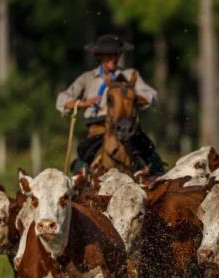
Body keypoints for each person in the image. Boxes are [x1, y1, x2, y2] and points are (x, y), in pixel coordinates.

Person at [56, 34, 165, 174]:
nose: (112, 59)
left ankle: (159, 184)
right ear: (99, 56)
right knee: (81, 161)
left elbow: (152, 95)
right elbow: (62, 99)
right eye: (107, 55)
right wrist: (83, 103)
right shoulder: (88, 78)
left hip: (128, 128)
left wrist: (137, 98)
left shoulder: (130, 75)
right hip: (98, 130)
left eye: (115, 54)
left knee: (152, 156)